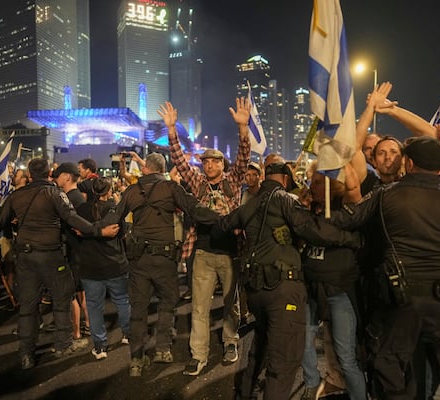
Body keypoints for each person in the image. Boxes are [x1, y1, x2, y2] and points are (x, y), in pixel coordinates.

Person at [328, 136, 440, 398]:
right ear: (439, 164)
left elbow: (346, 220)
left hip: (400, 301)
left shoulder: (385, 194)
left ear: (409, 162)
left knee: (389, 366)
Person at [217, 162, 362, 400]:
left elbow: (221, 226)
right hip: (283, 289)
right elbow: (311, 229)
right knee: (284, 359)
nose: (311, 186)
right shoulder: (286, 200)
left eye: (317, 182)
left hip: (260, 290)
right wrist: (352, 239)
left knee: (262, 345)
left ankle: (247, 392)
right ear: (285, 180)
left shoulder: (250, 204)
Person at [0, 158, 119, 370]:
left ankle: (27, 354)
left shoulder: (17, 196)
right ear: (49, 173)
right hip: (51, 255)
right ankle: (63, 344)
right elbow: (73, 219)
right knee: (62, 298)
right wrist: (98, 231)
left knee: (28, 305)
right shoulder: (56, 194)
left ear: (29, 174)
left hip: (26, 257)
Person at [99, 152, 220, 377]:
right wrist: (221, 219)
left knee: (139, 308)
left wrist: (94, 230)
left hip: (139, 260)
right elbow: (194, 209)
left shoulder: (132, 190)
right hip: (165, 259)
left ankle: (136, 359)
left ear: (146, 169)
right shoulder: (171, 189)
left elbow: (113, 218)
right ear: (162, 169)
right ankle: (162, 349)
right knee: (167, 302)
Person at [161, 99, 250, 375]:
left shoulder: (232, 182)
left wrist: (243, 128)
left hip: (229, 252)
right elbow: (178, 160)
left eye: (214, 161)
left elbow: (245, 158)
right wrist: (172, 130)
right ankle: (198, 354)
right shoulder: (197, 183)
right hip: (202, 252)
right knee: (199, 307)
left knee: (231, 303)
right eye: (206, 162)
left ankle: (230, 342)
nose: (209, 165)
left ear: (223, 164)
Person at [301, 165, 367, 400]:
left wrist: (340, 153)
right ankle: (311, 383)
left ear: (332, 184)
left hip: (339, 291)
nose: (312, 186)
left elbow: (352, 185)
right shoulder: (309, 209)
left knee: (346, 356)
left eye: (318, 182)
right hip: (311, 290)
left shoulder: (344, 207)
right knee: (303, 341)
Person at [76, 177, 131, 361]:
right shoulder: (113, 209)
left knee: (94, 306)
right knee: (122, 300)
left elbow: (76, 233)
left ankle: (100, 346)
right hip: (115, 263)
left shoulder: (81, 210)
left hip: (91, 266)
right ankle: (127, 334)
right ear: (108, 191)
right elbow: (122, 233)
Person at [53, 162, 91, 344]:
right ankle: (89, 325)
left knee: (74, 293)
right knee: (82, 291)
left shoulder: (69, 199)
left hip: (73, 250)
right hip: (80, 251)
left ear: (67, 176)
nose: (55, 179)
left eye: (58, 175)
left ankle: (76, 332)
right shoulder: (79, 197)